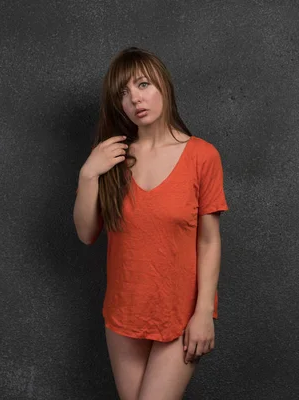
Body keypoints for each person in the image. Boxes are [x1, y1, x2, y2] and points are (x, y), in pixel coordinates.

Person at [73, 47, 228, 400]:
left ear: (164, 86)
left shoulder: (203, 156)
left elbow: (209, 241)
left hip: (180, 315)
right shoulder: (112, 158)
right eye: (123, 94)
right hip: (124, 314)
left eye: (143, 84)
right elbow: (86, 234)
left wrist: (204, 312)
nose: (135, 99)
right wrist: (88, 174)